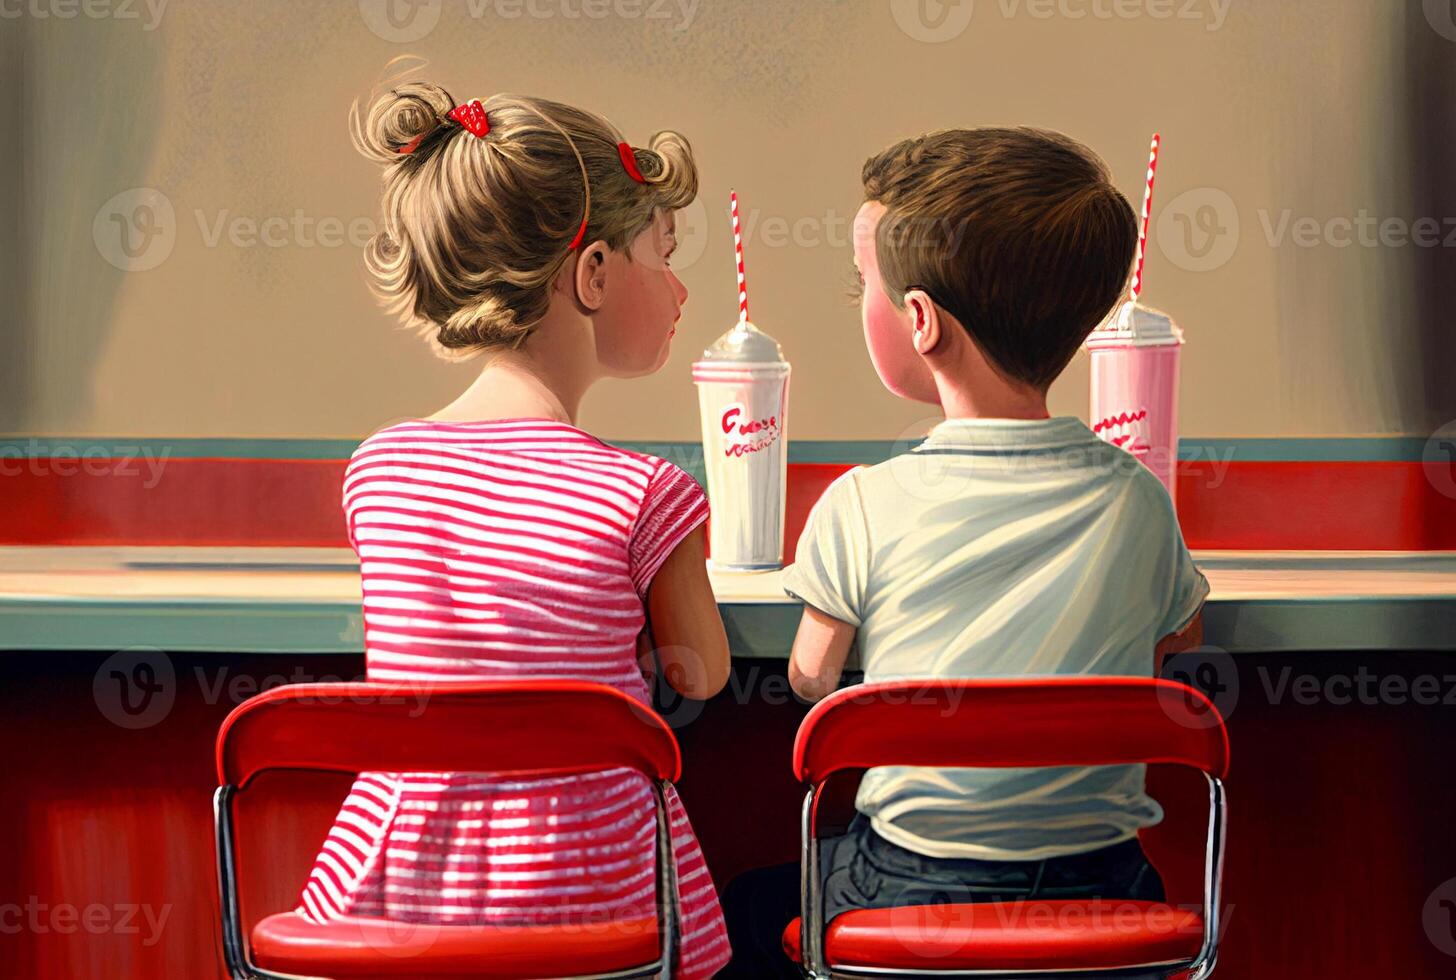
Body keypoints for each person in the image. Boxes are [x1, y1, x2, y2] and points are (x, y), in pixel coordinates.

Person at [721, 127, 1208, 977]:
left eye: (862, 283)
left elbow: (808, 680)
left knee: (745, 908)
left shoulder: (863, 503)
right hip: (1108, 891)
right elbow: (1178, 646)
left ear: (920, 322)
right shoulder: (1138, 501)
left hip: (909, 891)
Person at [297, 73, 732, 978]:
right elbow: (702, 669)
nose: (681, 287)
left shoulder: (378, 469)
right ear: (595, 272)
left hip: (402, 893)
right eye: (665, 250)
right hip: (590, 897)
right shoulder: (642, 490)